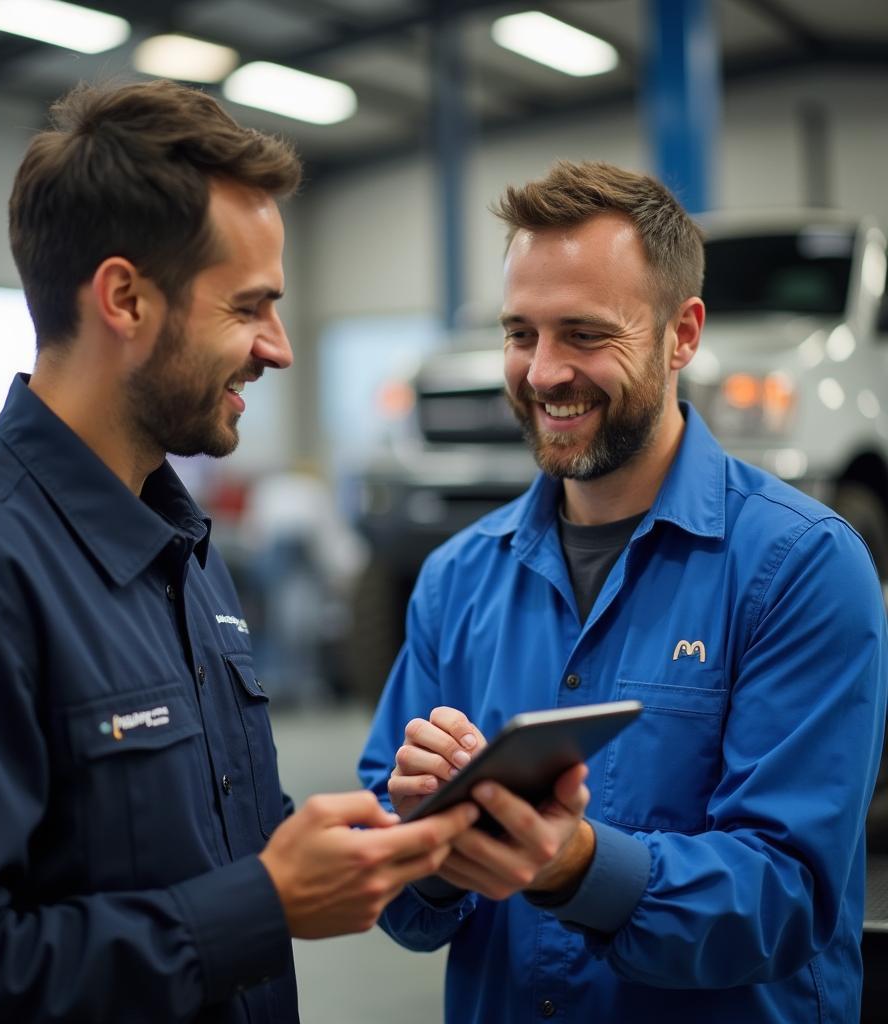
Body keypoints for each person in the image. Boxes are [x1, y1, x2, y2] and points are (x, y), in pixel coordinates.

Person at [0, 80, 489, 1023]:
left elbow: (229, 842)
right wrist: (260, 907)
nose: (276, 349)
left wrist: (423, 846)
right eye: (249, 307)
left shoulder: (183, 550)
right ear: (124, 298)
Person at [358, 160, 888, 1023]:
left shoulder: (802, 568)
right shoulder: (457, 581)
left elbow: (789, 894)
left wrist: (577, 866)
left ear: (683, 336)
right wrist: (420, 841)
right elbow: (397, 890)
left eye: (584, 334)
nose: (542, 373)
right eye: (520, 332)